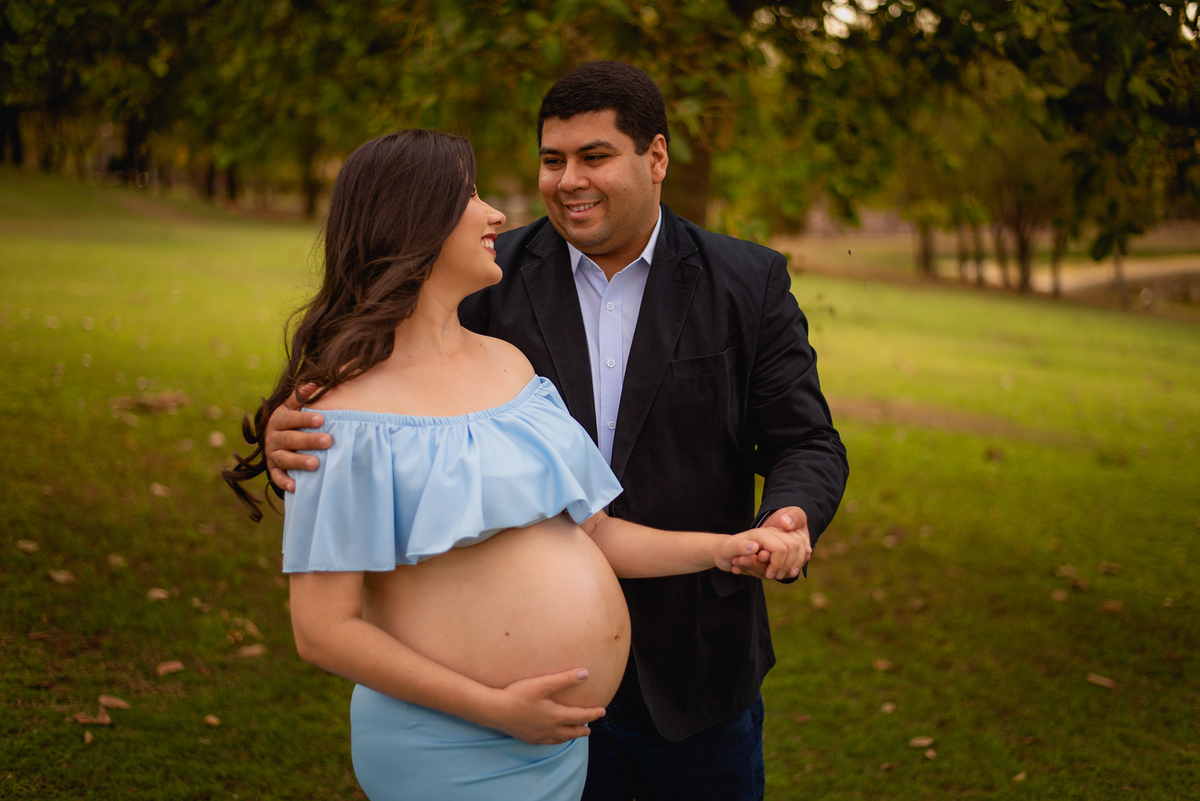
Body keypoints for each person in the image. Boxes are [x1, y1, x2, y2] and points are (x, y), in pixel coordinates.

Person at [267, 62, 847, 799]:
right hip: (492, 699)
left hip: (694, 670)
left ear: (657, 157)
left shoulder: (746, 281)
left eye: (595, 156)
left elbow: (805, 440)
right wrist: (287, 425)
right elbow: (381, 372)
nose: (568, 179)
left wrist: (783, 517)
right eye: (552, 159)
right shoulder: (487, 278)